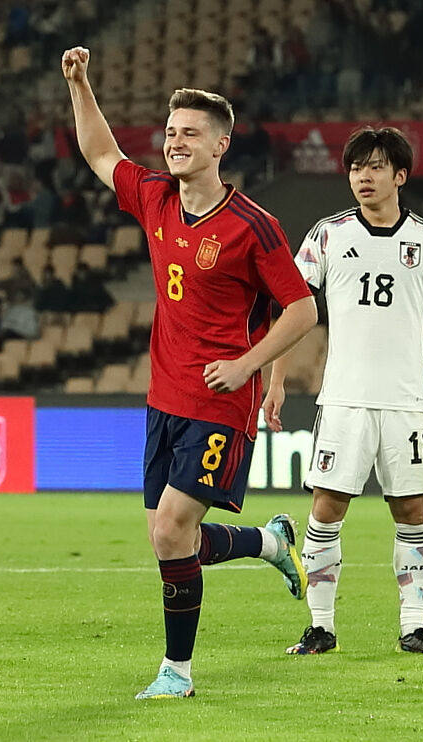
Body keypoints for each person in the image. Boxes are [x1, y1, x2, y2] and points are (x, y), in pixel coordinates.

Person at [62, 46, 319, 700]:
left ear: (220, 145)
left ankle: (177, 673)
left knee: (173, 529)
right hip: (164, 397)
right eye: (171, 132)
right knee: (168, 538)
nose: (175, 143)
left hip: (220, 402)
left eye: (190, 134)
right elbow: (100, 155)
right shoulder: (153, 197)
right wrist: (82, 84)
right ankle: (268, 541)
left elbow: (302, 308)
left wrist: (247, 367)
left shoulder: (252, 226)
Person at [265, 126, 423, 657]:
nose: (363, 176)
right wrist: (276, 379)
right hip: (344, 400)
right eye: (357, 167)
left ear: (400, 176)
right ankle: (320, 626)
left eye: (376, 167)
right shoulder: (327, 235)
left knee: (413, 511)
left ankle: (414, 627)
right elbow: (295, 310)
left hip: (407, 402)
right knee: (327, 507)